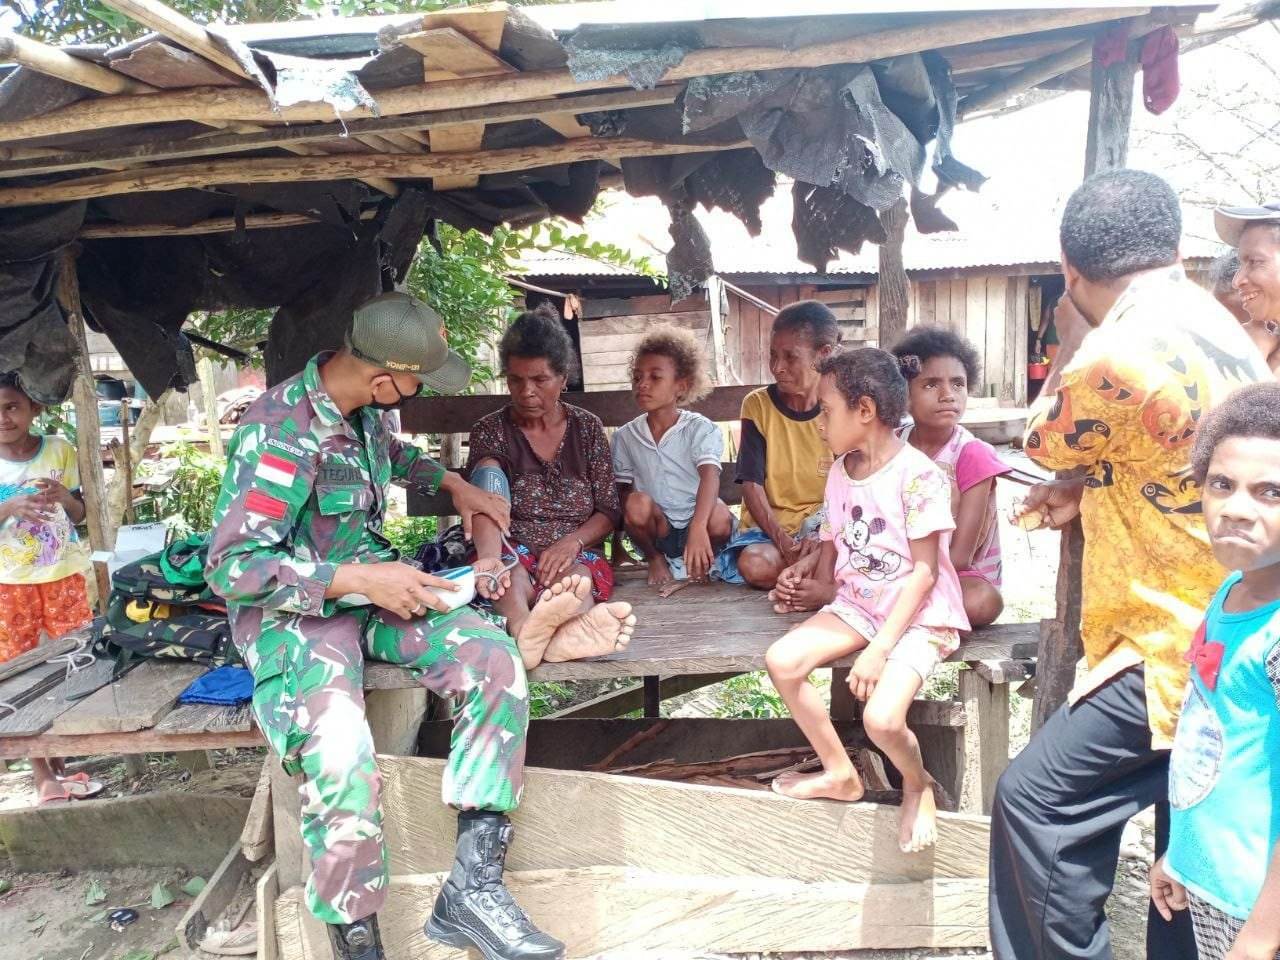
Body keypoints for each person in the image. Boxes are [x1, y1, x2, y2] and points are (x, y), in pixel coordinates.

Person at [206, 292, 571, 960]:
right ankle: (357, 942)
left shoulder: (364, 412)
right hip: (295, 613)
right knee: (341, 756)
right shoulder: (280, 433)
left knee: (493, 660)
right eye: (416, 382)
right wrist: (358, 580)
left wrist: (456, 485)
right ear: (381, 380)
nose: (416, 392)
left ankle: (472, 890)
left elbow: (396, 457)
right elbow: (232, 568)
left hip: (374, 586)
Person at [990, 169, 1268, 960]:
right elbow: (1167, 458)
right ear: (1175, 250)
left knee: (1037, 804)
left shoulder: (1112, 354)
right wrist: (1094, 488)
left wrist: (1069, 332)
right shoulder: (1220, 325)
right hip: (1237, 615)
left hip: (1170, 641)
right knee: (1189, 836)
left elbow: (1044, 440)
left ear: (1069, 268)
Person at [764, 348, 969, 853]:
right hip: (859, 604)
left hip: (919, 615)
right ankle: (840, 773)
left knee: (881, 720)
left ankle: (917, 783)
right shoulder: (841, 471)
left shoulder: (918, 475)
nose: (818, 423)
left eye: (825, 410)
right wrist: (804, 571)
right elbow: (833, 546)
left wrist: (879, 650)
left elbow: (924, 573)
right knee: (783, 661)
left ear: (865, 410)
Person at [1148, 382, 1280, 960]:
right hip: (1217, 890)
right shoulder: (1231, 591)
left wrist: (1260, 938)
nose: (1236, 509)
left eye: (1271, 492)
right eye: (1222, 484)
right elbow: (1214, 747)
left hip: (1260, 913)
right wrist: (1183, 857)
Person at [467, 304, 635, 670]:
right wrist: (490, 558)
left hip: (574, 554)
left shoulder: (587, 428)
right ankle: (530, 630)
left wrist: (572, 542)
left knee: (575, 582)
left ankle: (544, 633)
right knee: (507, 577)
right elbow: (484, 497)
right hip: (512, 548)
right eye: (515, 380)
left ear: (563, 378)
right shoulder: (491, 430)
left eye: (539, 380)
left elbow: (608, 510)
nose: (526, 391)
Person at [0, 372, 101, 807]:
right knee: (14, 673)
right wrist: (10, 505)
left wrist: (65, 496)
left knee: (75, 661)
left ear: (35, 408)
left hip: (64, 575)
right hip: (9, 584)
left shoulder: (60, 450)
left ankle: (59, 761)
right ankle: (40, 771)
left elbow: (80, 514)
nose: (3, 417)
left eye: (12, 407)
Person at [719, 300, 839, 592]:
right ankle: (815, 580)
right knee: (755, 565)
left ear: (824, 354)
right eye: (773, 355)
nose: (777, 367)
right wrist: (784, 542)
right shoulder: (758, 405)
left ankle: (811, 578)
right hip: (770, 534)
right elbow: (752, 485)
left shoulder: (840, 406)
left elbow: (852, 483)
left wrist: (823, 533)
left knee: (840, 555)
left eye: (790, 357)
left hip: (826, 528)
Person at [893, 328, 1010, 626]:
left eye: (958, 383)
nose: (948, 395)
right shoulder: (892, 443)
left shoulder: (972, 454)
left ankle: (894, 607)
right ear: (904, 394)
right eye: (931, 384)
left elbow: (960, 557)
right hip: (891, 561)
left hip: (953, 572)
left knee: (981, 602)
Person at [613, 324, 734, 587]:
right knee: (636, 503)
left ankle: (704, 559)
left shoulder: (699, 429)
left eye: (655, 377)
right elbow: (621, 496)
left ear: (681, 386)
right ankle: (657, 560)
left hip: (698, 522)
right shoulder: (625, 436)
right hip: (660, 531)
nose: (643, 384)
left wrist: (698, 527)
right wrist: (620, 547)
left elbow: (710, 477)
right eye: (637, 377)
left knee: (720, 514)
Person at [1215, 201, 1280, 377]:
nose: (1237, 281)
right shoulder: (1262, 344)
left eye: (1255, 261)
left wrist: (1250, 366)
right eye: (1241, 264)